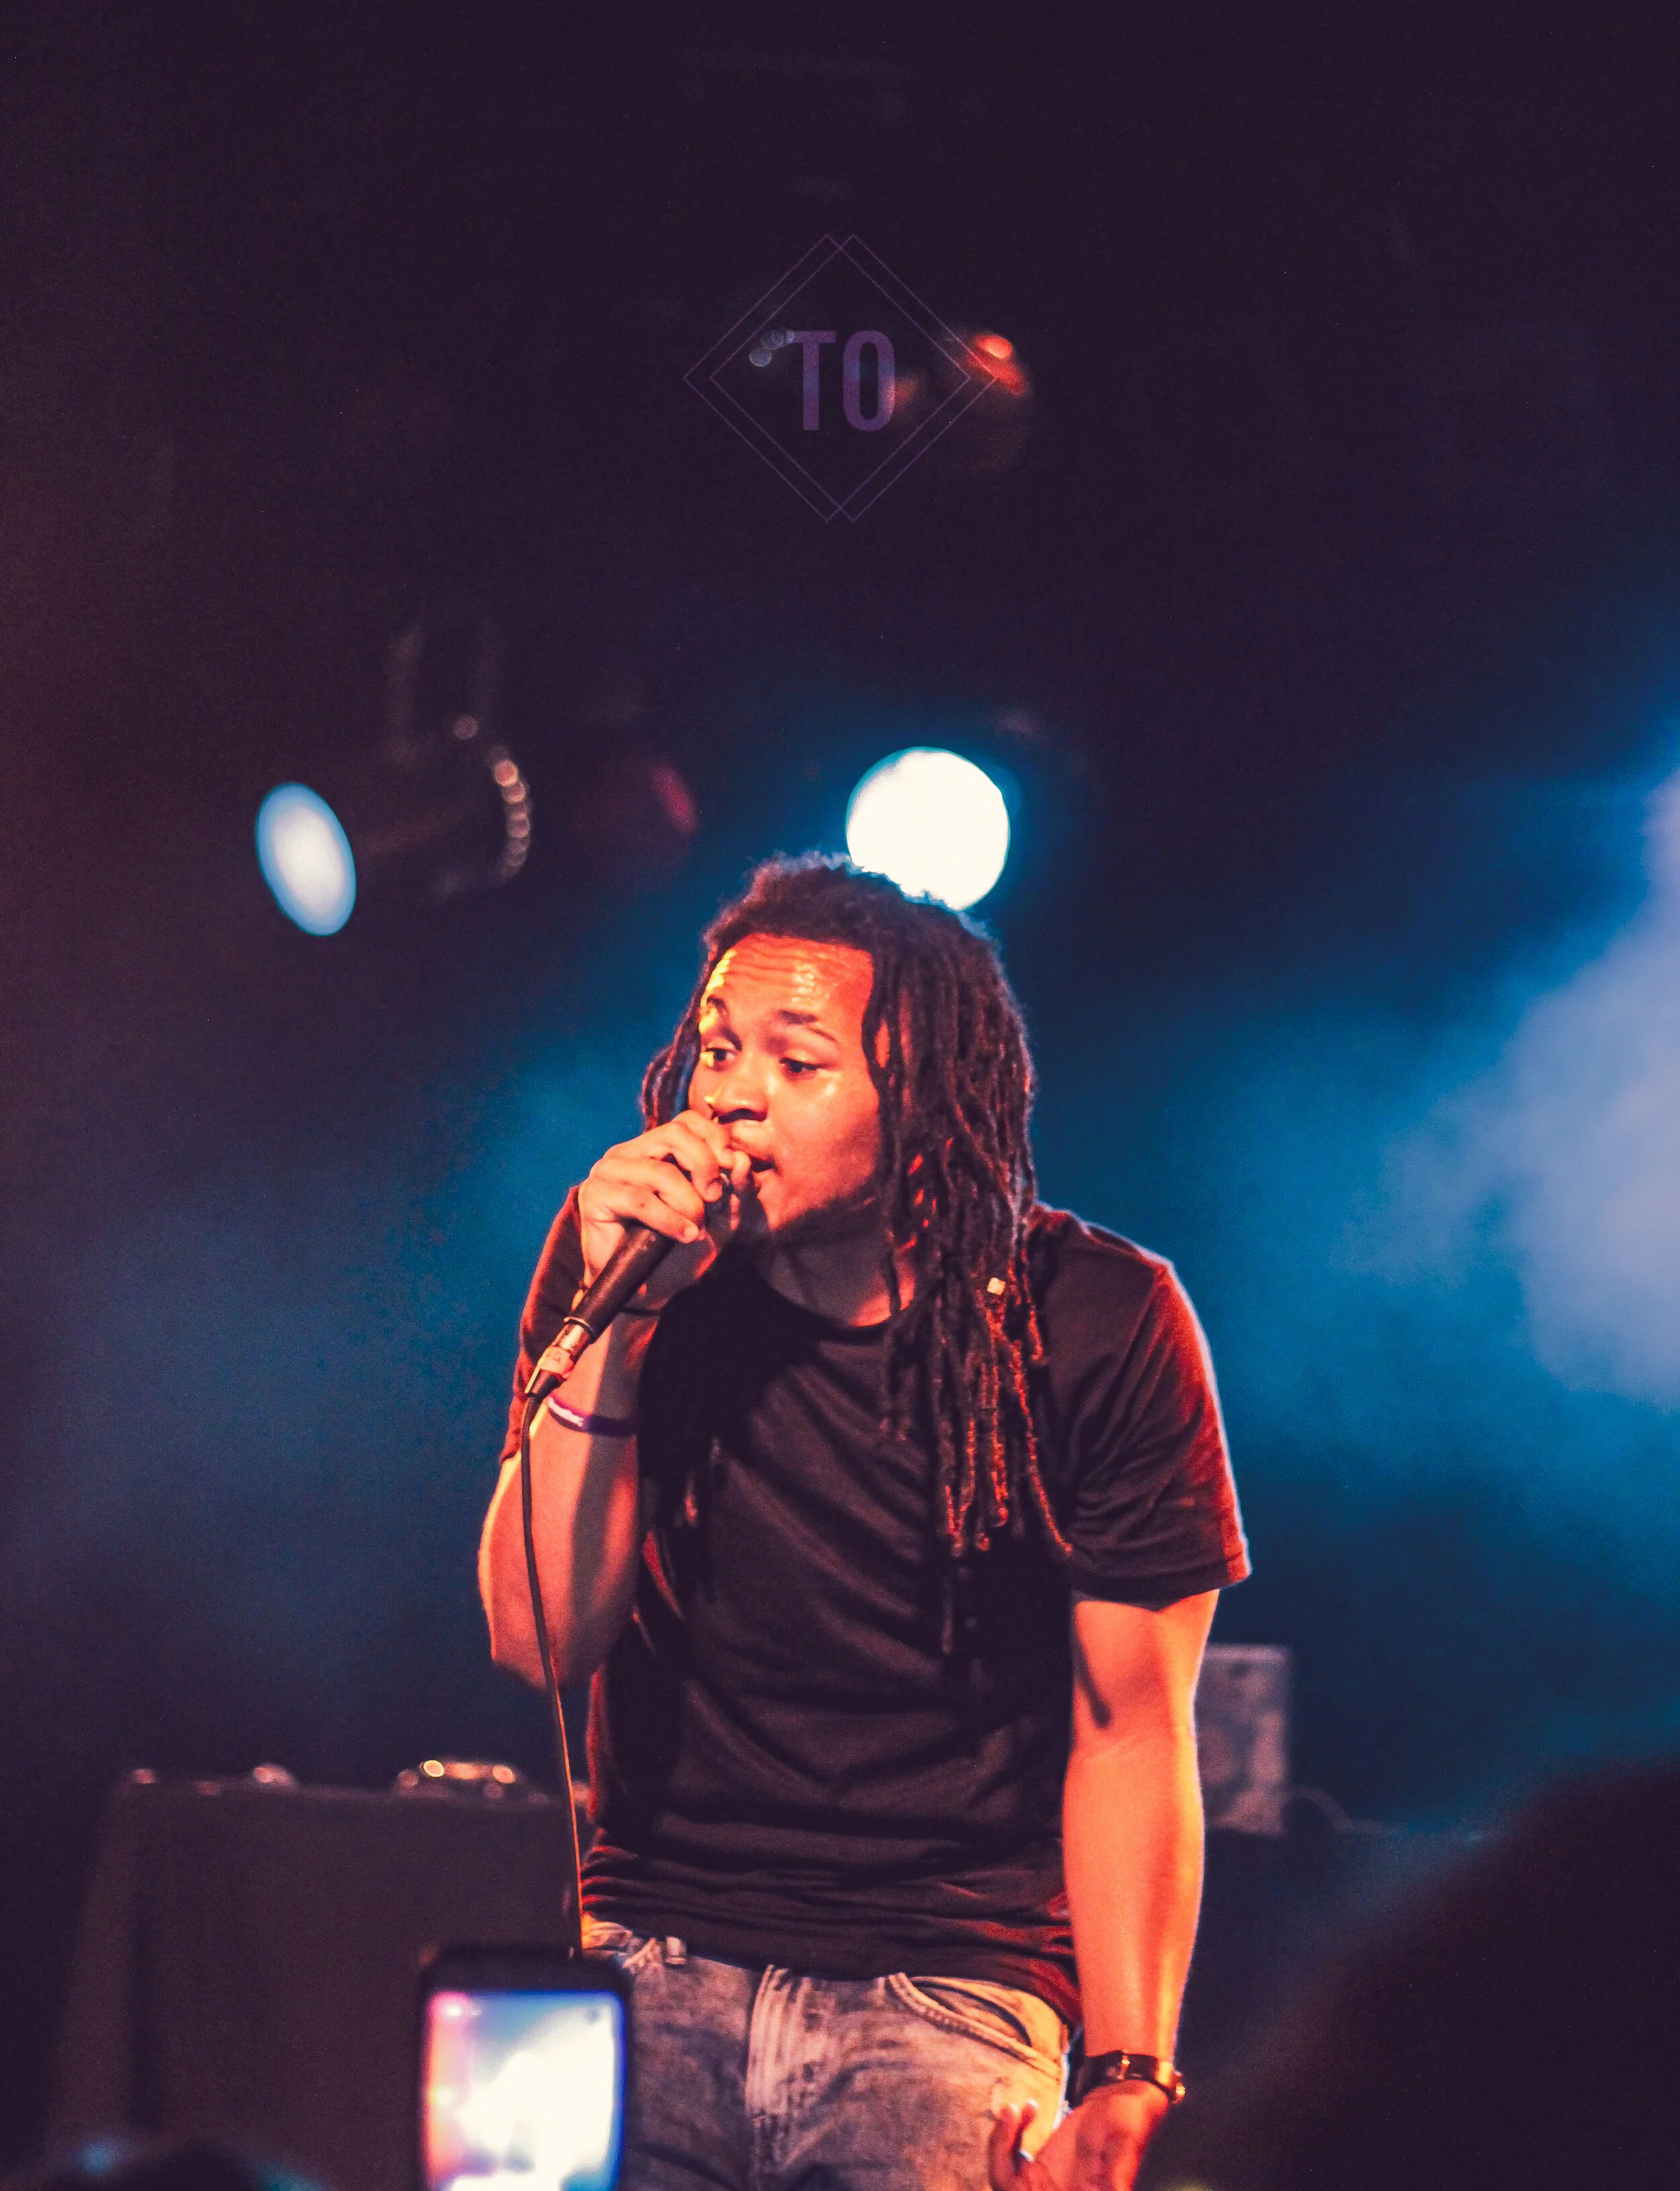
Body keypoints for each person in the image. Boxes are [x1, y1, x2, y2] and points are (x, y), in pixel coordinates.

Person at [479, 857, 1249, 2191]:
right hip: (659, 1947)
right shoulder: (633, 1258)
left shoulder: (1095, 1320)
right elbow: (536, 1636)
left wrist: (1130, 2069)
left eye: (797, 1062)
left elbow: (1130, 1726)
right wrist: (620, 1329)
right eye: (719, 1047)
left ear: (926, 1106)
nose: (732, 1094)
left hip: (950, 1986)